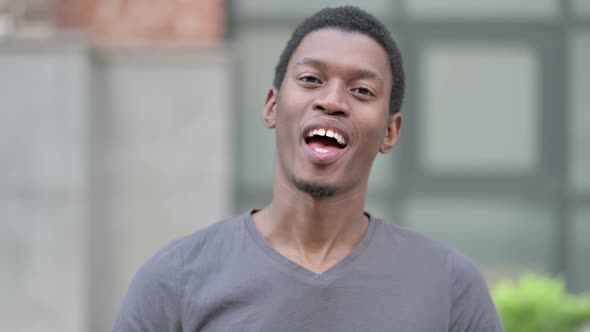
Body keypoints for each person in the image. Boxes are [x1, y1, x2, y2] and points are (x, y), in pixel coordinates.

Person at [113, 6, 503, 331]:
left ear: (390, 131)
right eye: (311, 79)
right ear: (272, 106)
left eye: (362, 90)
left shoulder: (449, 288)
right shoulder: (176, 279)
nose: (332, 101)